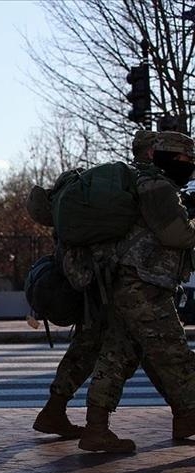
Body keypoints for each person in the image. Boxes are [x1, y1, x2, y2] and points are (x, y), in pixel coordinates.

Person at [32, 130, 166, 440]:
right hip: (113, 288)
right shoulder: (135, 183)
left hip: (93, 285)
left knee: (86, 350)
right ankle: (97, 426)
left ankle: (54, 411)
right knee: (124, 353)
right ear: (150, 153)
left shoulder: (105, 188)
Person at [79, 131, 195, 453]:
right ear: (169, 157)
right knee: (175, 356)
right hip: (144, 288)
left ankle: (95, 428)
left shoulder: (148, 184)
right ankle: (188, 413)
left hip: (130, 285)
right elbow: (179, 236)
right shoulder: (157, 186)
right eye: (186, 158)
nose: (190, 164)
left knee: (118, 356)